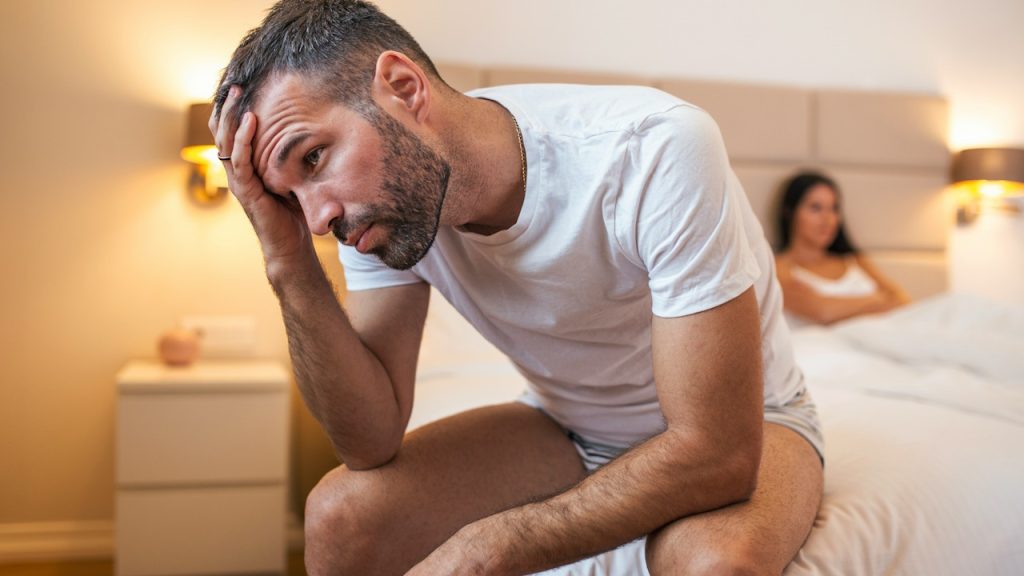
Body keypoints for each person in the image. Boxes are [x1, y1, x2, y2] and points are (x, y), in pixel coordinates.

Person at [209, 1, 824, 574]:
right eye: (289, 196)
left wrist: (495, 542)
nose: (318, 218)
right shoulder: (382, 217)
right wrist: (286, 260)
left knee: (717, 566)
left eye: (313, 158)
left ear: (402, 88)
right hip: (567, 426)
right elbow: (368, 440)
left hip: (753, 424)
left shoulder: (653, 150)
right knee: (338, 517)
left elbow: (716, 454)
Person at [774, 171, 910, 327]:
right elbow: (822, 311)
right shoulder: (780, 269)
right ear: (790, 212)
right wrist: (877, 299)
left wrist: (839, 310)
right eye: (816, 208)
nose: (827, 219)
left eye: (833, 208)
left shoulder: (854, 261)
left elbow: (902, 301)